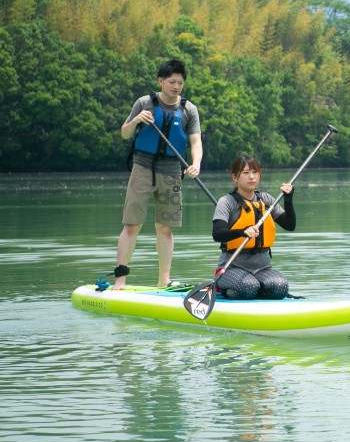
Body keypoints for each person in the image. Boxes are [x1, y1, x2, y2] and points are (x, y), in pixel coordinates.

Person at [113, 58, 203, 290]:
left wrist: (196, 163)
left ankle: (164, 280)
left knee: (165, 227)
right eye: (172, 82)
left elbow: (196, 142)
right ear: (160, 81)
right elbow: (125, 133)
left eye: (180, 83)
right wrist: (136, 120)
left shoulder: (188, 110)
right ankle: (120, 279)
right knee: (132, 225)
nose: (176, 86)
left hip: (172, 171)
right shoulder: (144, 103)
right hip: (142, 168)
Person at [211, 155, 296, 300]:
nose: (251, 177)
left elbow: (289, 225)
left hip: (261, 269)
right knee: (249, 286)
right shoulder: (226, 202)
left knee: (280, 286)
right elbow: (217, 234)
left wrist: (288, 200)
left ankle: (256, 291)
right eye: (245, 173)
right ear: (235, 177)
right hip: (231, 268)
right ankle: (222, 289)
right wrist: (242, 232)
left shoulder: (266, 199)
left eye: (255, 172)